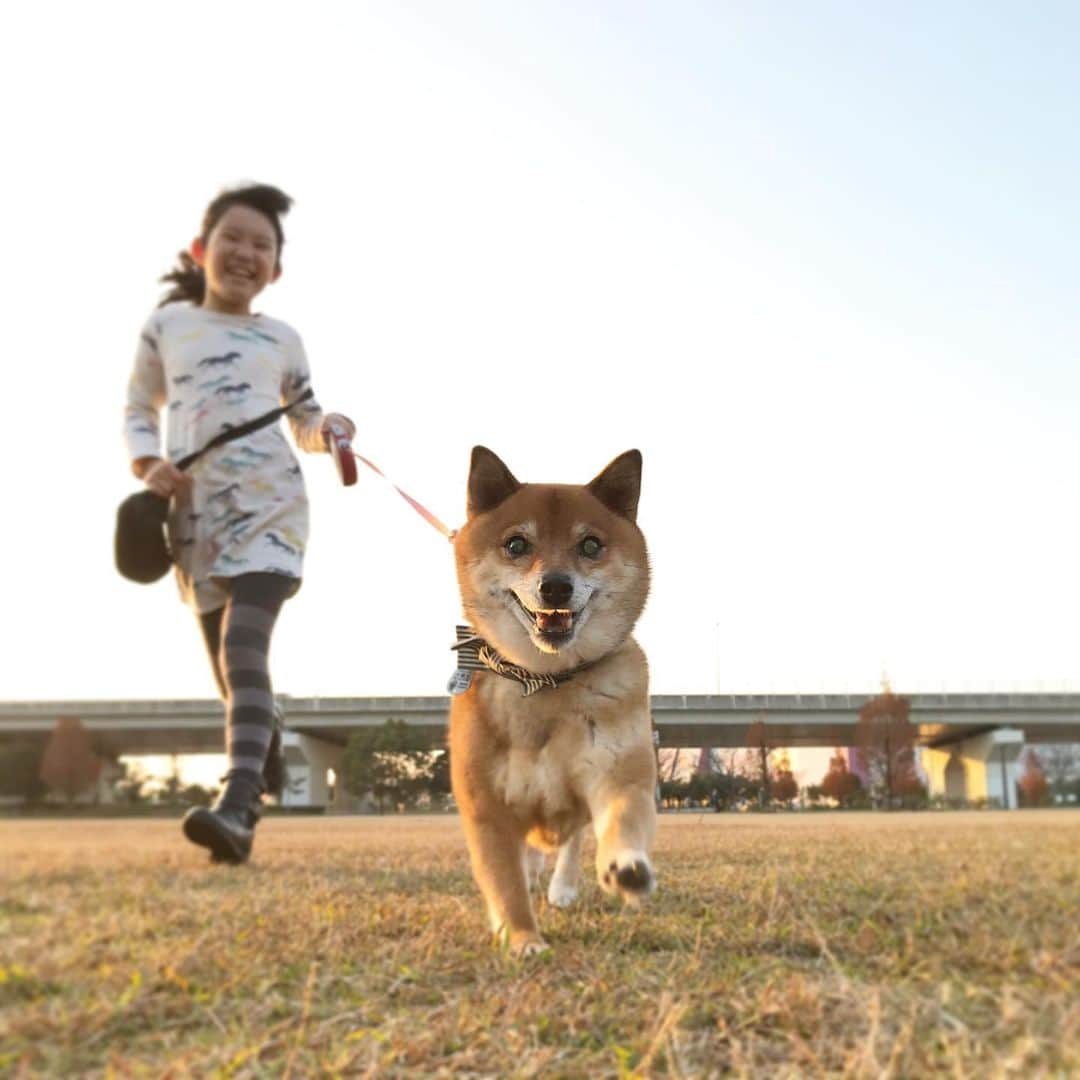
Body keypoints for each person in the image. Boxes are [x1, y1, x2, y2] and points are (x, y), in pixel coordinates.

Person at [123, 183, 354, 865]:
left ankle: (238, 807)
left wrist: (330, 429)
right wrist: (146, 464)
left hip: (272, 510)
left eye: (263, 245)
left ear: (276, 269)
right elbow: (139, 407)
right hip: (197, 521)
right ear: (202, 250)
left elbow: (305, 419)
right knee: (232, 677)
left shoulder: (282, 338)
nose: (247, 252)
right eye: (234, 238)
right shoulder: (167, 326)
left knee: (243, 652)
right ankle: (267, 739)